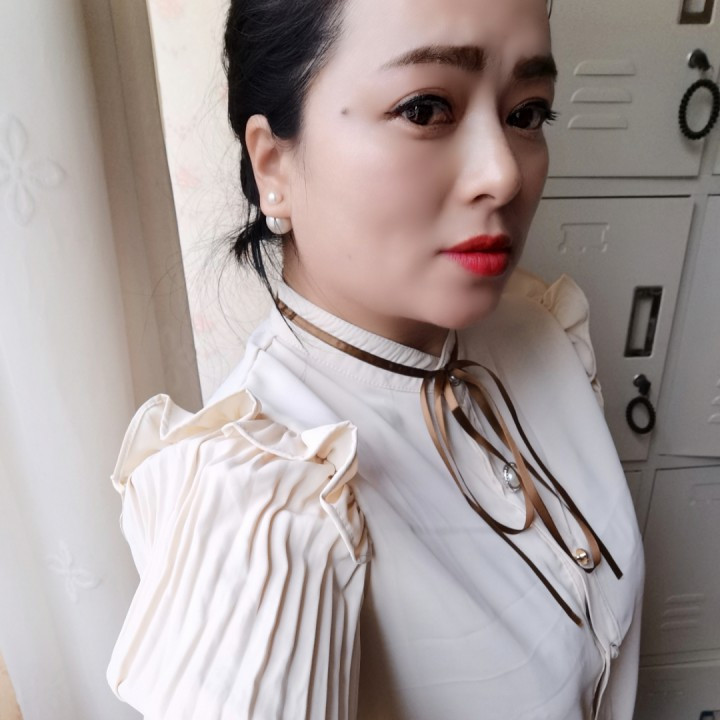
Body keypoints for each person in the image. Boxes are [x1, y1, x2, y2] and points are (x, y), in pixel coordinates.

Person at [106, 0, 644, 717]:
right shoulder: (259, 514)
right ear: (273, 164)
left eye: (527, 113)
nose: (504, 175)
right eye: (425, 109)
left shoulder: (541, 329)